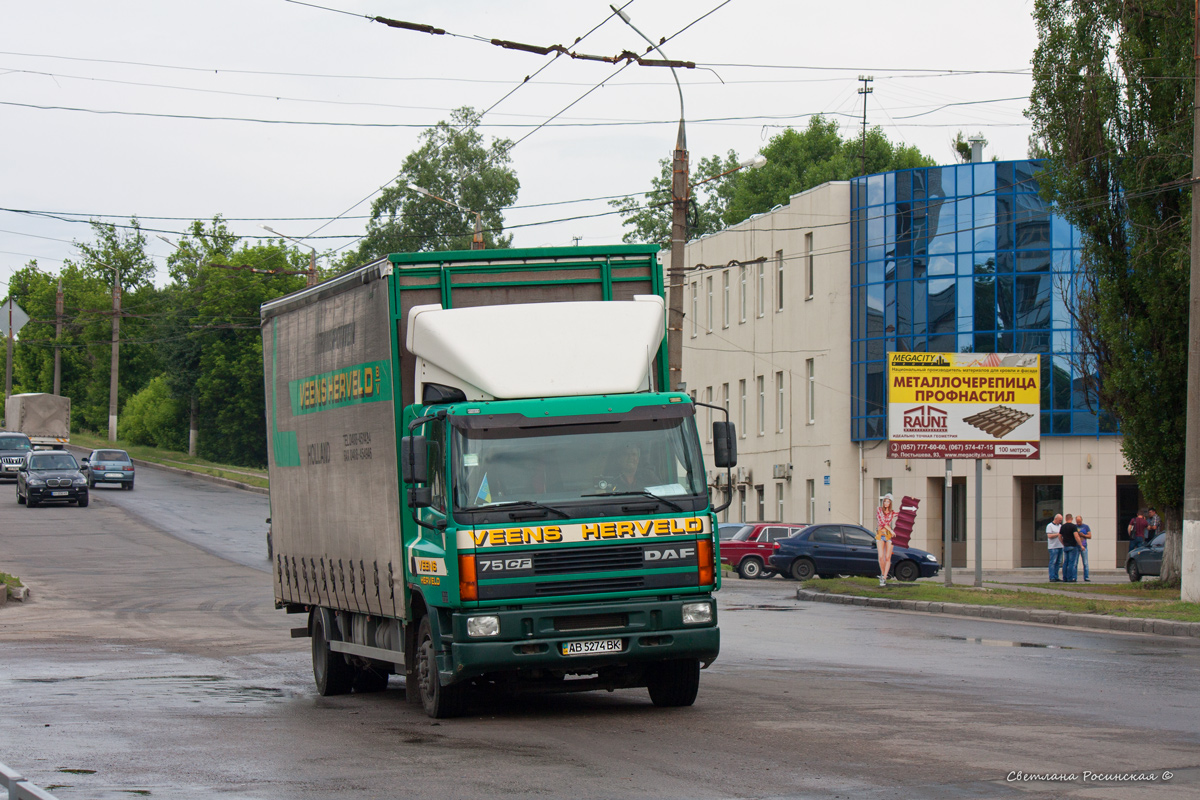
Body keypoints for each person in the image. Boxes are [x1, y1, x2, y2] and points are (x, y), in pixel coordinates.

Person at [875, 493, 899, 587]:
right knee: (881, 556)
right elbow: (882, 522)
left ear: (890, 503)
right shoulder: (879, 510)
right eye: (884, 501)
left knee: (888, 557)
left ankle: (884, 577)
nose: (886, 503)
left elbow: (901, 515)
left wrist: (909, 507)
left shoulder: (892, 513)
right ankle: (882, 574)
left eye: (888, 501)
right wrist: (891, 530)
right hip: (881, 534)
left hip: (889, 536)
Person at [1059, 514, 1080, 582]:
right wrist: (1081, 545)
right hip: (1073, 546)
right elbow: (1076, 536)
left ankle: (1064, 577)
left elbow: (1059, 536)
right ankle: (1070, 578)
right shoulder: (1073, 526)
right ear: (1072, 518)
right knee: (1071, 563)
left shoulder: (1063, 526)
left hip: (1066, 546)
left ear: (1065, 519)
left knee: (1065, 562)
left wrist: (1063, 543)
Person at [1046, 513, 1063, 582]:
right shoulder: (1050, 526)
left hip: (1060, 546)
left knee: (1058, 562)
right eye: (1059, 520)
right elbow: (1049, 536)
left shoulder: (1060, 526)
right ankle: (1052, 576)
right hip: (1053, 547)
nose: (1060, 521)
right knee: (1053, 561)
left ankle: (1056, 576)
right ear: (1055, 519)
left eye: (1061, 520)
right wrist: (1057, 534)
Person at [1075, 515, 1092, 582]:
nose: (1078, 523)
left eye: (1079, 521)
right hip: (1076, 546)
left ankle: (1086, 577)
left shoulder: (1086, 527)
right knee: (1075, 562)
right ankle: (1074, 577)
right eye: (1077, 522)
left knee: (1085, 563)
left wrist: (1083, 535)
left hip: (1084, 546)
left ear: (1082, 520)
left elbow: (1090, 536)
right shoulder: (1075, 527)